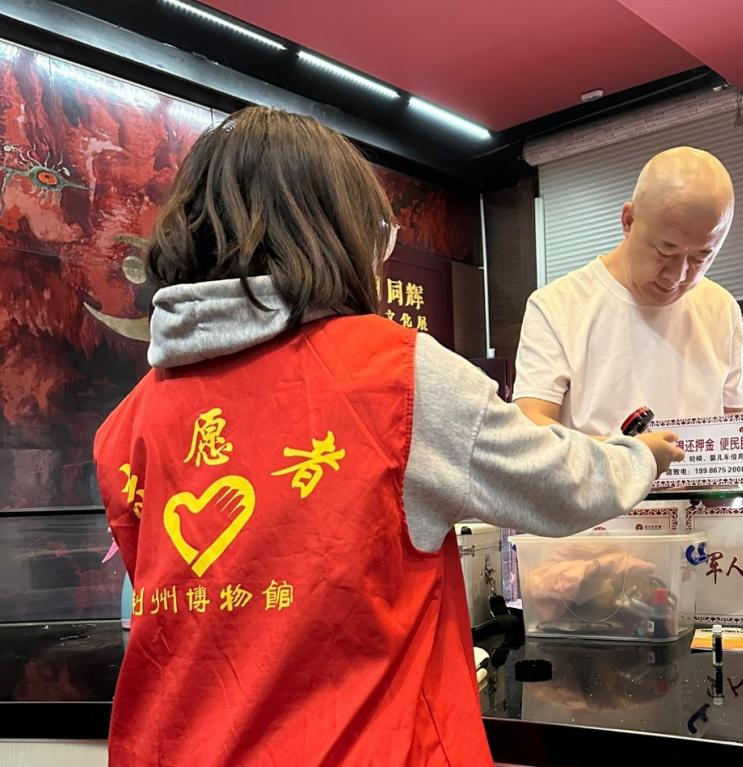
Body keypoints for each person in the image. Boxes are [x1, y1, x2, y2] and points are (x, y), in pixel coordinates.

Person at [92, 107, 683, 767]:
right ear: (337, 233)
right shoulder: (396, 375)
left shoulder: (126, 426)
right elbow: (562, 486)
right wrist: (640, 454)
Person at [514, 147, 743, 435]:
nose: (678, 275)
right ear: (628, 221)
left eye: (701, 257)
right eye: (666, 251)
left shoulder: (722, 307)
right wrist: (630, 455)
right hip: (601, 468)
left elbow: (738, 426)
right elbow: (531, 426)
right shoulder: (556, 306)